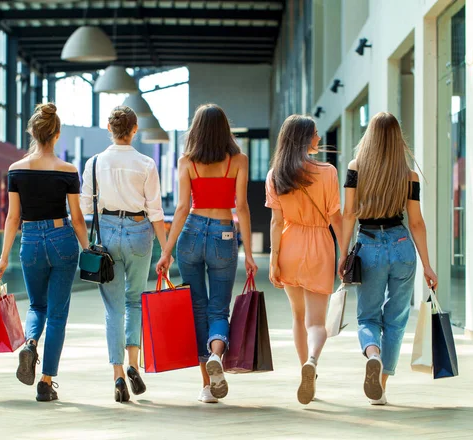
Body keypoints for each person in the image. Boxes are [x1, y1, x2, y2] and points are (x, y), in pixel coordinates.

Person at [156, 103, 258, 404]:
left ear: (196, 130)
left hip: (191, 232)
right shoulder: (238, 160)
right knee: (218, 309)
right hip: (224, 233)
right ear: (225, 129)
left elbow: (183, 208)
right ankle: (216, 354)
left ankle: (206, 386)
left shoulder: (187, 161)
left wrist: (166, 251)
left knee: (196, 308)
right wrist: (249, 252)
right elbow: (241, 206)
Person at [338, 112, 438, 405]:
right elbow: (417, 222)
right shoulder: (409, 175)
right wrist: (428, 265)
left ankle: (373, 354)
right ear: (398, 139)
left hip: (368, 246)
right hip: (402, 245)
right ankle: (380, 388)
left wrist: (342, 255)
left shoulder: (356, 168)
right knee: (395, 320)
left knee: (368, 316)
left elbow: (348, 214)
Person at [0, 102, 90, 402]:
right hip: (62, 239)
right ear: (57, 134)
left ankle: (30, 344)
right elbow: (76, 218)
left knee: (37, 306)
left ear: (33, 133)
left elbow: (12, 217)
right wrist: (88, 250)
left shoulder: (16, 170)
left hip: (31, 239)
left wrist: (4, 256)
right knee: (58, 314)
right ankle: (46, 382)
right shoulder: (67, 170)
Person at [80, 105, 168, 403]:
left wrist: (87, 244)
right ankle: (133, 363)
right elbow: (156, 211)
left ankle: (118, 374)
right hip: (139, 229)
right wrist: (166, 250)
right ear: (134, 130)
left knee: (113, 307)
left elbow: (85, 209)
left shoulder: (93, 164)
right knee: (135, 300)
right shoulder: (145, 164)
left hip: (106, 234)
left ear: (109, 128)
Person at [265, 114, 342, 405]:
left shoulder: (276, 175)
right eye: (315, 134)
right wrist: (343, 251)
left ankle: (303, 371)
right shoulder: (328, 172)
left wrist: (274, 260)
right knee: (317, 322)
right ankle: (312, 360)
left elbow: (275, 221)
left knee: (297, 316)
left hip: (289, 245)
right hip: (320, 243)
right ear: (304, 138)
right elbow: (336, 216)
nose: (319, 139)